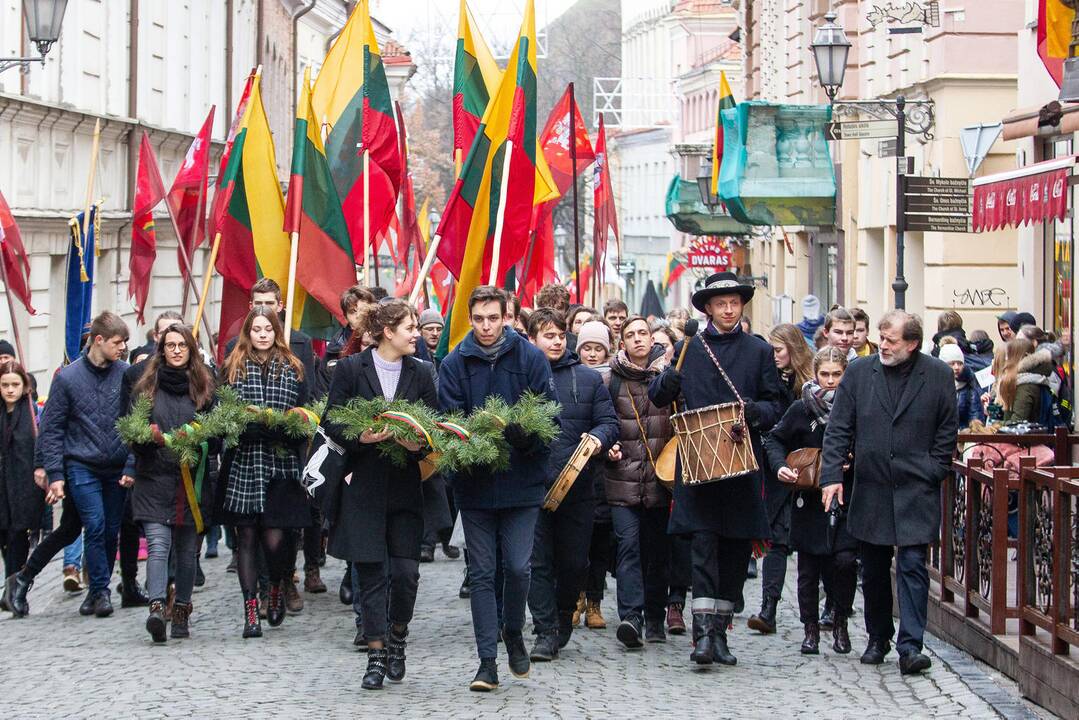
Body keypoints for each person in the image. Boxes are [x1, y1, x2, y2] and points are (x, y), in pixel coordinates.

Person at [650, 272, 783, 667]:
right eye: (720, 303)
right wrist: (668, 380)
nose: (728, 309)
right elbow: (658, 397)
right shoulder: (689, 347)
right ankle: (703, 636)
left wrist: (751, 415)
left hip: (741, 467)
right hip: (698, 465)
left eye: (734, 303)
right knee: (703, 549)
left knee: (734, 554)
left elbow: (775, 404)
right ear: (707, 308)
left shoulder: (758, 352)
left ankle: (721, 634)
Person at [821, 310, 958, 675]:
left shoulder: (938, 374)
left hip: (917, 487)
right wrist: (831, 475)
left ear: (912, 344)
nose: (882, 345)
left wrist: (935, 468)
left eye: (891, 340)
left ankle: (911, 645)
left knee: (913, 565)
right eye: (881, 338)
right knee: (876, 568)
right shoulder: (860, 372)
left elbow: (948, 428)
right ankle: (878, 636)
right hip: (873, 485)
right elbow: (838, 429)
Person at [438, 286, 554, 691]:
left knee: (519, 567)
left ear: (507, 316)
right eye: (479, 319)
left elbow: (547, 417)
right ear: (470, 319)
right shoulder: (455, 363)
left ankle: (514, 631)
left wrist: (526, 438)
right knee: (483, 572)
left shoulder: (531, 358)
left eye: (493, 318)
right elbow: (447, 421)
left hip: (522, 484)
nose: (486, 327)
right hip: (475, 487)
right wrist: (468, 451)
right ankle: (487, 661)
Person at [322, 299, 438, 690]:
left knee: (405, 575)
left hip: (406, 488)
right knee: (371, 575)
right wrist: (361, 436)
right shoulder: (352, 368)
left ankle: (398, 636)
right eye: (410, 328)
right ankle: (375, 655)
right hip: (364, 487)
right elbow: (332, 419)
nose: (416, 334)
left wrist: (415, 445)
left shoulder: (421, 372)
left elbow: (433, 428)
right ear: (388, 332)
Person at [14, 312, 131, 618]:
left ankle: (25, 579)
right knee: (94, 524)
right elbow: (51, 429)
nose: (122, 348)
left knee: (89, 530)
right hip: (81, 465)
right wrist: (53, 473)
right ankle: (101, 591)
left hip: (115, 466)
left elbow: (136, 421)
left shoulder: (125, 373)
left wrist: (131, 462)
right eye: (118, 342)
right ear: (99, 340)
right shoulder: (67, 378)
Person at [525, 309, 618, 662]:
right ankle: (544, 630)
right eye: (548, 335)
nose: (557, 340)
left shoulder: (590, 379)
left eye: (561, 334)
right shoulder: (521, 378)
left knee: (573, 563)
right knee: (537, 564)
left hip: (578, 489)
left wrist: (597, 437)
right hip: (531, 488)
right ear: (532, 338)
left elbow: (609, 422)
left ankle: (564, 615)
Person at [218, 308, 311, 638]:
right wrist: (244, 430)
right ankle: (250, 611)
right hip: (245, 462)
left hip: (281, 463)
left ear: (276, 332)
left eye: (267, 329)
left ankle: (275, 585)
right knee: (246, 538)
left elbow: (306, 413)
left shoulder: (293, 368)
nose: (261, 334)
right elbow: (222, 413)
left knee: (276, 540)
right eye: (256, 328)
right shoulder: (232, 367)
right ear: (248, 331)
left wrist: (286, 429)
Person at [121, 323, 217, 642]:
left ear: (191, 349)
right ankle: (157, 607)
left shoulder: (204, 386)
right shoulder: (145, 387)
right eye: (170, 345)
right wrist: (150, 438)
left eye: (182, 345)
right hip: (154, 479)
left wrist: (197, 439)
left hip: (191, 481)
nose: (176, 350)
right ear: (161, 350)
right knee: (159, 547)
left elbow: (217, 435)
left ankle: (182, 611)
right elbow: (132, 432)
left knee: (188, 552)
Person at [763, 347, 858, 655]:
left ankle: (840, 621)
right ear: (816, 374)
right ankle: (811, 629)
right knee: (808, 569)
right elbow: (775, 439)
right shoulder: (802, 408)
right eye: (825, 374)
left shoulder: (854, 406)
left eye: (836, 374)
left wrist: (854, 461)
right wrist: (781, 467)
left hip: (845, 494)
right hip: (808, 497)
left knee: (843, 562)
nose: (830, 381)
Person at [606, 316, 673, 648]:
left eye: (642, 333)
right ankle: (631, 617)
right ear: (623, 344)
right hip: (623, 479)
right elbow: (604, 421)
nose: (637, 340)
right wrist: (609, 446)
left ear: (652, 338)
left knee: (657, 552)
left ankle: (656, 617)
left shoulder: (667, 376)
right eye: (630, 335)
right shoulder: (612, 381)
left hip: (662, 480)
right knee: (629, 547)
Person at [748, 323, 815, 634]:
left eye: (778, 350)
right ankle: (768, 607)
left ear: (793, 349)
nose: (773, 356)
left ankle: (819, 614)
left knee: (813, 546)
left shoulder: (812, 385)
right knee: (776, 540)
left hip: (811, 473)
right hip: (777, 470)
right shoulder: (768, 381)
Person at [574, 321, 616, 630]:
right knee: (577, 545)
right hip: (576, 469)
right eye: (586, 348)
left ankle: (595, 602)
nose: (591, 353)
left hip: (606, 472)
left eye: (597, 348)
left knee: (600, 543)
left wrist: (613, 445)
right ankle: (575, 597)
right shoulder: (573, 378)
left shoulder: (615, 379)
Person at [0, 361, 44, 613]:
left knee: (18, 536)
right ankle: (11, 583)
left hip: (23, 485)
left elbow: (36, 447)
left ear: (24, 386)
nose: (9, 390)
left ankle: (14, 590)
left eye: (15, 385)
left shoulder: (30, 413)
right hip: (2, 485)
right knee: (4, 537)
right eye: (5, 385)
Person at [994, 338, 1051, 424]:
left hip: (1030, 436)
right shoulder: (1029, 379)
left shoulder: (1026, 384)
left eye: (1008, 357)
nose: (1006, 362)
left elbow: (1017, 421)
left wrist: (995, 425)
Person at [939, 343, 985, 428]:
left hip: (962, 436)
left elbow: (975, 417)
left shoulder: (969, 389)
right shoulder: (935, 388)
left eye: (960, 363)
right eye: (952, 363)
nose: (956, 367)